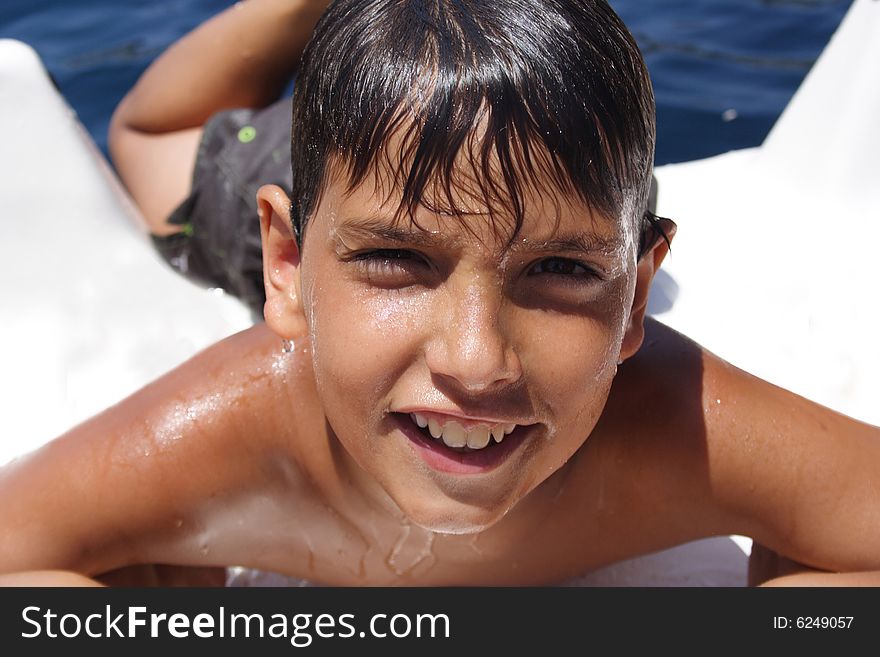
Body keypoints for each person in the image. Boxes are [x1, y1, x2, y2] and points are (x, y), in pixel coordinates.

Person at [2, 0, 879, 587]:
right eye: (395, 261)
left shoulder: (679, 436)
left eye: (562, 271)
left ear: (638, 296)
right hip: (275, 173)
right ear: (287, 266)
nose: (476, 360)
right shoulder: (235, 432)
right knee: (154, 136)